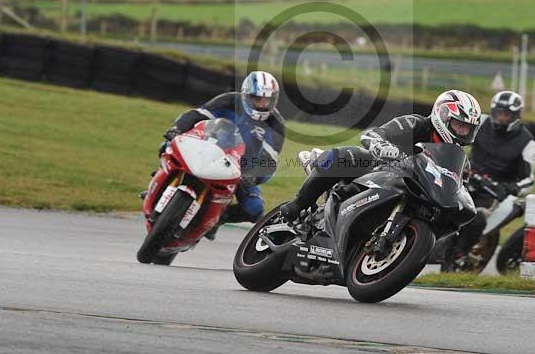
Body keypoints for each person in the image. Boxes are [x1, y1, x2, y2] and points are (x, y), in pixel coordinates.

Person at [280, 89, 483, 227]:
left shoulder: (460, 162)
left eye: (467, 128)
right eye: (459, 125)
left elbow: (458, 188)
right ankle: (298, 204)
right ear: (443, 115)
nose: (463, 132)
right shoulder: (416, 124)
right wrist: (385, 148)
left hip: (414, 196)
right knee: (343, 156)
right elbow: (373, 134)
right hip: (378, 172)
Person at [158, 71, 285, 238]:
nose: (262, 104)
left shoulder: (276, 123)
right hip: (208, 149)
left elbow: (270, 160)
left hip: (241, 169)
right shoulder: (229, 100)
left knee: (255, 209)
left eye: (267, 100)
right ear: (246, 95)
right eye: (257, 98)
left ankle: (217, 219)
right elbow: (197, 115)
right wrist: (177, 129)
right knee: (166, 146)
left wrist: (253, 176)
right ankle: (160, 184)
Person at [437, 90, 535, 270]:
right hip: (465, 174)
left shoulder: (528, 144)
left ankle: (458, 254)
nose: (501, 118)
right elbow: (456, 137)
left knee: (477, 217)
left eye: (506, 115)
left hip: (492, 190)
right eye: (498, 113)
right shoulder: (481, 122)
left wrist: (507, 188)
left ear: (516, 116)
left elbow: (528, 180)